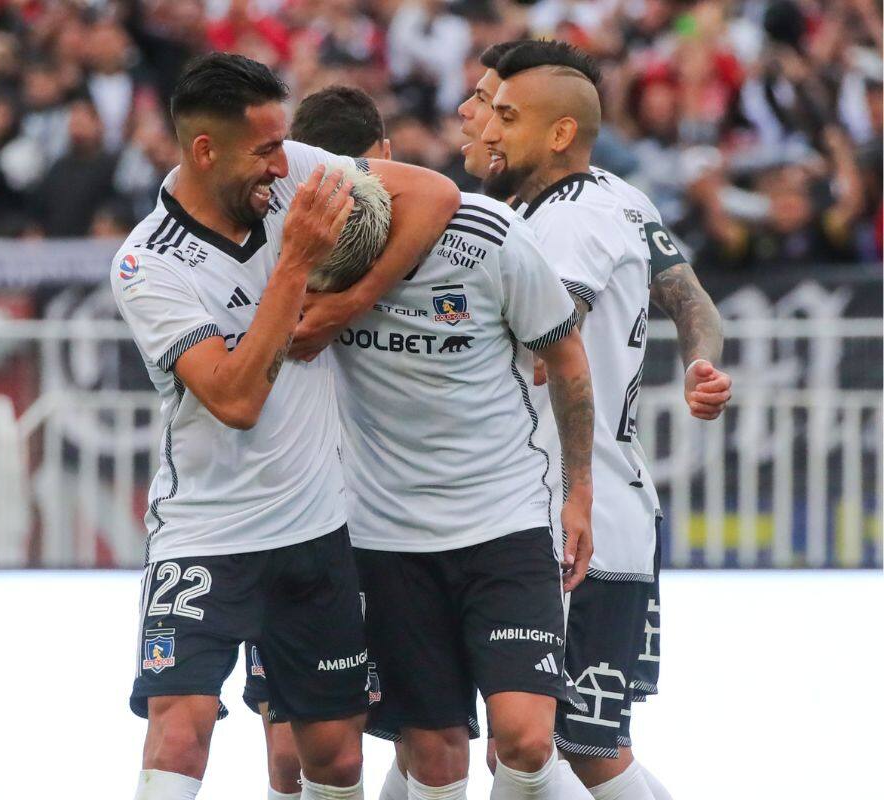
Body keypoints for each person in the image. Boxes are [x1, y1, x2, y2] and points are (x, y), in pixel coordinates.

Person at [111, 53, 461, 800]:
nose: (284, 163)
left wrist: (348, 301)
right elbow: (234, 399)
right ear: (205, 151)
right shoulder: (148, 264)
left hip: (313, 530)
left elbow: (434, 194)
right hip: (208, 532)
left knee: (331, 760)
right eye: (265, 149)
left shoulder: (295, 167)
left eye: (284, 145)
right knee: (181, 727)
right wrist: (296, 265)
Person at [250, 83, 599, 800]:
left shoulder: (490, 235)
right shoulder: (301, 250)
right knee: (433, 758)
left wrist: (580, 489)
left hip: (501, 522)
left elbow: (566, 359)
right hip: (385, 539)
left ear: (384, 163)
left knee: (527, 740)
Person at [479, 40, 732, 800]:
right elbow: (694, 305)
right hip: (605, 508)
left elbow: (549, 348)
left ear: (559, 133)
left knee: (559, 748)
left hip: (571, 518)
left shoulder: (568, 222)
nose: (491, 129)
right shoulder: (622, 197)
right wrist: (699, 361)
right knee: (570, 746)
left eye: (505, 115)